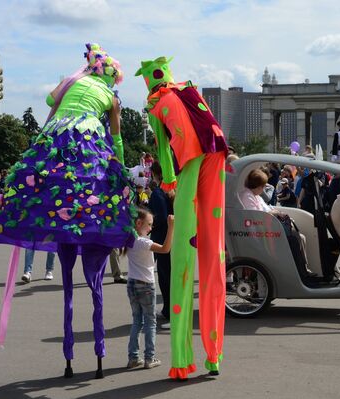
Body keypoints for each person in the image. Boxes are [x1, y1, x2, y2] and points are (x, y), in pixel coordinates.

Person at [0, 43, 135, 378]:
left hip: (55, 138)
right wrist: (121, 172)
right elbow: (118, 139)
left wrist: (77, 76)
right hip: (88, 139)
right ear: (112, 79)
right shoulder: (111, 99)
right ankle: (98, 349)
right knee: (97, 194)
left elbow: (49, 101)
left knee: (49, 191)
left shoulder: (72, 84)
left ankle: (70, 354)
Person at [136, 56, 227, 379]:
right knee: (214, 253)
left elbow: (163, 148)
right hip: (216, 152)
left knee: (183, 262)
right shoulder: (189, 90)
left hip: (190, 161)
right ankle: (213, 356)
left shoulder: (156, 102)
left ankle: (181, 360)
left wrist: (170, 181)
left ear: (149, 82)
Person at [125, 208, 174, 370]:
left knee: (137, 320)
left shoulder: (130, 239)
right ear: (139, 224)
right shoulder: (143, 242)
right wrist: (171, 227)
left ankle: (133, 357)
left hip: (132, 283)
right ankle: (149, 357)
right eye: (149, 224)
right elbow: (166, 249)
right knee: (150, 322)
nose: (151, 228)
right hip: (146, 284)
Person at [148, 161, 174, 326]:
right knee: (169, 275)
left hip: (162, 237)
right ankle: (168, 309)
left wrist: (149, 223)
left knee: (165, 276)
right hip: (172, 236)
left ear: (154, 174)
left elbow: (161, 217)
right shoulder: (170, 190)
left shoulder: (157, 193)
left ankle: (170, 311)